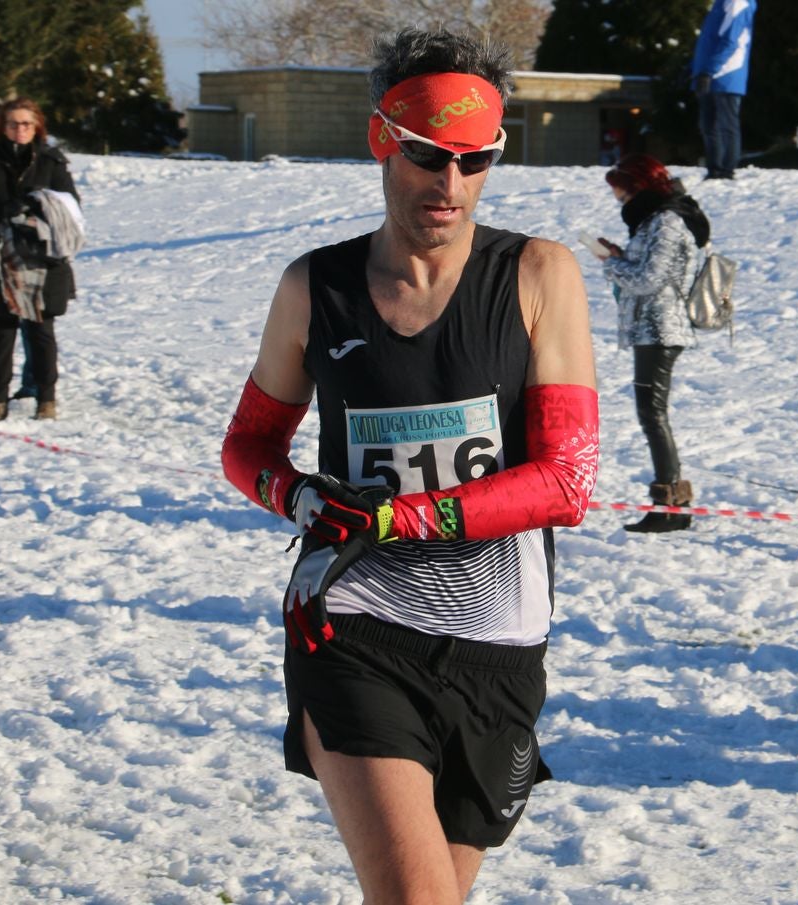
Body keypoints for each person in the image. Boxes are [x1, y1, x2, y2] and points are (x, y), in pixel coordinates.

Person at [220, 27, 599, 904]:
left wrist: (398, 514)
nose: (452, 184)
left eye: (477, 161)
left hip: (498, 648)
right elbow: (247, 447)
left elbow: (566, 479)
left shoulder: (539, 275)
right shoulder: (315, 287)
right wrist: (300, 494)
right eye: (431, 155)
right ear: (384, 141)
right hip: (355, 625)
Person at [588, 154, 709, 533]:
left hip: (662, 330)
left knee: (653, 415)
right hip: (650, 329)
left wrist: (610, 262)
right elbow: (645, 273)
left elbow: (648, 280)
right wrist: (622, 257)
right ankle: (671, 501)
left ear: (637, 185)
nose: (618, 200)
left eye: (620, 192)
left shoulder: (668, 222)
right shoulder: (654, 220)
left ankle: (671, 503)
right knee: (651, 414)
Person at [0, 97, 80, 422]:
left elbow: (71, 211)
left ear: (37, 125)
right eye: (13, 123)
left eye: (26, 123)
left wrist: (33, 209)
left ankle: (47, 399)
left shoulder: (51, 161)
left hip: (42, 260)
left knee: (41, 333)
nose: (20, 130)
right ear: (4, 126)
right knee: (1, 333)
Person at [690, 0, 757, 180]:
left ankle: (726, 170)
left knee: (726, 125)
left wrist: (708, 70)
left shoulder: (737, 2)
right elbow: (710, 41)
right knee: (708, 125)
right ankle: (715, 168)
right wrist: (694, 69)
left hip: (727, 72)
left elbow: (730, 41)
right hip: (710, 72)